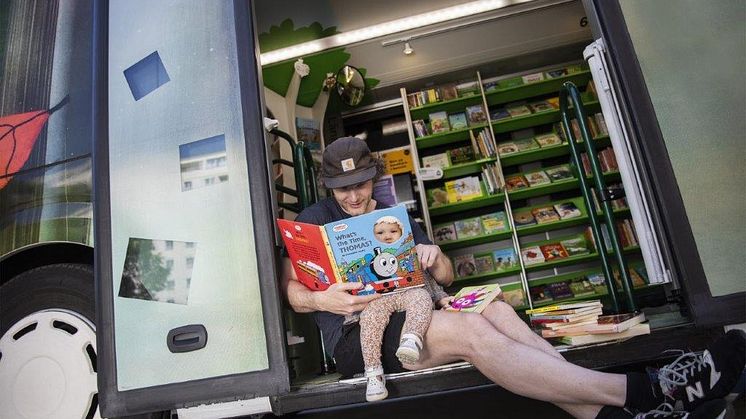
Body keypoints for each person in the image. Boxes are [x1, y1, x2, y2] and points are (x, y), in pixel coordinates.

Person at [280, 136, 745, 419]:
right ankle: (650, 389)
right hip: (358, 333)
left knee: (497, 308)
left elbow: (444, 274)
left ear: (372, 176)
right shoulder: (311, 219)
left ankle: (623, 417)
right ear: (328, 187)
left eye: (361, 183)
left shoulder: (394, 215)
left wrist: (433, 253)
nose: (355, 196)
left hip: (423, 305)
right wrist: (324, 301)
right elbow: (294, 293)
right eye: (344, 188)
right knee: (468, 329)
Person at [357, 214, 450, 402]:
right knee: (369, 317)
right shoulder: (368, 259)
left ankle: (411, 340)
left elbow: (430, 281)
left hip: (411, 293)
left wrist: (442, 298)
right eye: (380, 233)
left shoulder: (412, 253)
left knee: (422, 297)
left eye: (393, 231)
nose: (387, 236)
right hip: (379, 299)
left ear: (402, 233)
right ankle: (373, 373)